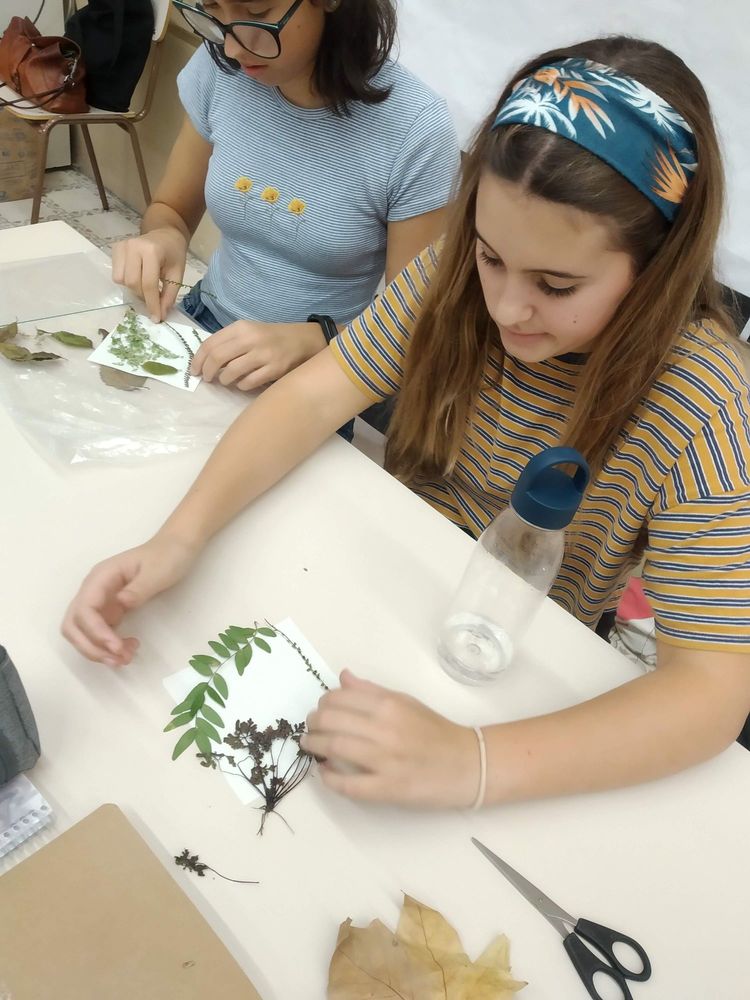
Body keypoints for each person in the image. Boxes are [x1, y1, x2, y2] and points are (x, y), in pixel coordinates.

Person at [64, 35, 750, 810]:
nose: (507, 308)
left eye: (556, 286)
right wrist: (178, 537)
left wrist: (472, 762)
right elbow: (312, 397)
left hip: (522, 669)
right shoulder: (450, 280)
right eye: (492, 256)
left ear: (658, 268)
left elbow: (710, 691)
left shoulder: (706, 402)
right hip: (390, 578)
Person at [112, 0, 459, 399]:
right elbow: (170, 209)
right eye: (214, 11)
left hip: (322, 372)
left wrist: (313, 339)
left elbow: (412, 328)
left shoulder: (414, 128)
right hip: (201, 328)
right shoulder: (222, 68)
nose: (233, 48)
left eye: (257, 14)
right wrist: (164, 237)